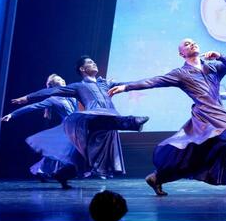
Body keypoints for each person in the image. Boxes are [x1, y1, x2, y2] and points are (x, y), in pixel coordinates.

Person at [107, 38, 226, 196]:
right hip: (204, 116)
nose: (192, 44)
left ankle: (157, 178)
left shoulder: (213, 67)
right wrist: (126, 87)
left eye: (193, 42)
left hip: (218, 112)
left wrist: (219, 55)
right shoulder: (180, 73)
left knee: (199, 156)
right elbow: (154, 81)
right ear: (181, 54)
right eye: (187, 44)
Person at [11, 56, 149, 179]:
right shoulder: (75, 88)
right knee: (80, 148)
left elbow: (128, 85)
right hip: (85, 122)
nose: (94, 63)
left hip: (100, 122)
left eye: (94, 62)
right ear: (82, 69)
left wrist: (151, 82)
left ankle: (62, 174)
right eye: (90, 62)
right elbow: (49, 93)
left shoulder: (102, 85)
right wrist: (27, 98)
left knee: (81, 157)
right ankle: (131, 121)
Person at [2, 74, 79, 189]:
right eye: (58, 80)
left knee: (60, 152)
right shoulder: (52, 100)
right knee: (65, 152)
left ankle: (41, 170)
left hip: (77, 126)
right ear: (53, 85)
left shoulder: (72, 95)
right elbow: (32, 107)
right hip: (66, 128)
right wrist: (12, 114)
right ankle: (60, 175)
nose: (62, 80)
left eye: (62, 78)